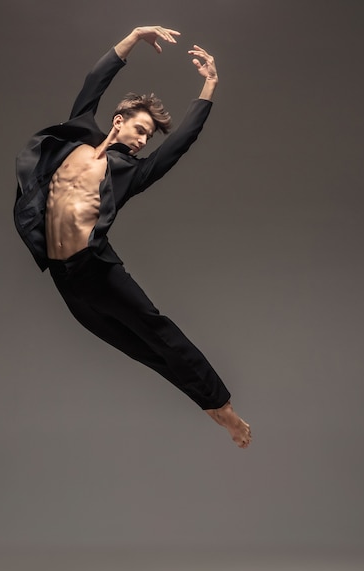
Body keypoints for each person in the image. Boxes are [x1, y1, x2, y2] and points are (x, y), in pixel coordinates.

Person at [14, 26, 252, 448]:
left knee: (158, 332)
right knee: (137, 348)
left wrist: (210, 85)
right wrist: (134, 37)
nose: (143, 141)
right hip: (65, 279)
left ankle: (222, 406)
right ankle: (207, 402)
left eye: (147, 137)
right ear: (118, 121)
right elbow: (95, 82)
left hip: (98, 271)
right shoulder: (77, 137)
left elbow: (178, 144)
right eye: (139, 130)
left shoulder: (131, 173)